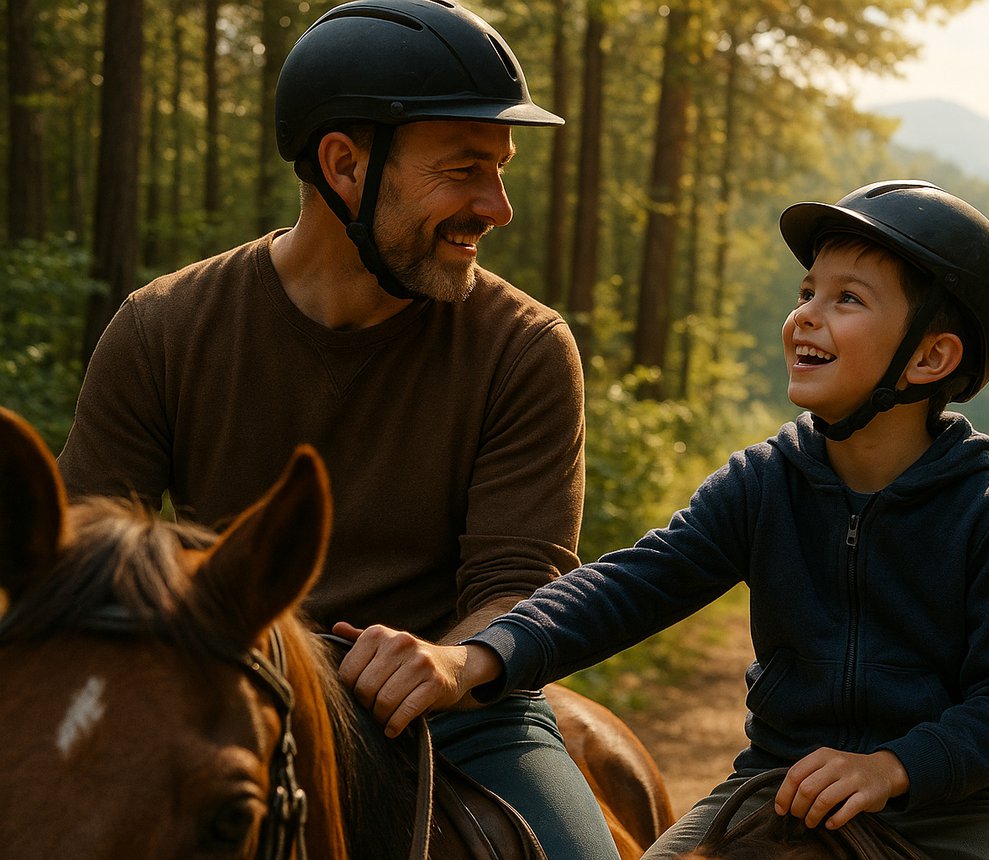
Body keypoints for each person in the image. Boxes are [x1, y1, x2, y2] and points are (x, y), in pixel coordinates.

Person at [344, 180, 989, 859]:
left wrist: (892, 767)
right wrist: (475, 656)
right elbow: (631, 585)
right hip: (775, 786)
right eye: (807, 290)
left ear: (931, 358)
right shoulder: (761, 484)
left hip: (960, 812)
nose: (806, 314)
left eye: (848, 299)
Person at [55, 1, 619, 857]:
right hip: (220, 699)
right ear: (345, 165)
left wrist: (444, 663)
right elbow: (81, 567)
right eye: (466, 169)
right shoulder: (162, 327)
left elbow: (518, 586)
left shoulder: (527, 348)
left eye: (500, 171)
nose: (496, 207)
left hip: (462, 712)